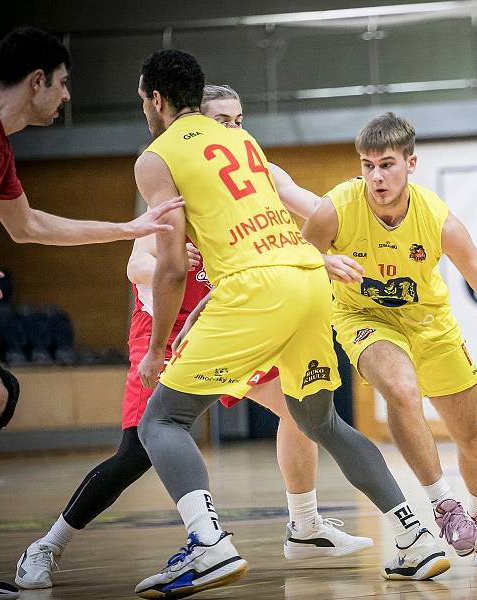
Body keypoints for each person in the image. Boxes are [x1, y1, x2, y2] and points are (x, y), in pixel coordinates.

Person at [13, 87, 371, 590]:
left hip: (230, 321)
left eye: (240, 119)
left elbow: (301, 217)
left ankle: (306, 525)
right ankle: (48, 544)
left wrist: (336, 242)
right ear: (195, 122)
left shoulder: (249, 174)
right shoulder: (174, 179)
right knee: (136, 452)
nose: (234, 129)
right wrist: (178, 262)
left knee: (298, 408)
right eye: (223, 119)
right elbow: (137, 263)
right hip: (167, 327)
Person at [132, 50, 448, 599]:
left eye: (143, 101)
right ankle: (415, 536)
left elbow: (174, 263)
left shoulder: (156, 157)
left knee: (161, 420)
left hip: (255, 290)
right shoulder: (245, 142)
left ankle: (207, 545)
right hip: (307, 278)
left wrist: (157, 347)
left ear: (156, 100)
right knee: (319, 420)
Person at [302, 112, 477, 568]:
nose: (376, 176)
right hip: (362, 317)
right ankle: (443, 506)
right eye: (367, 165)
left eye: (387, 164)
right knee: (400, 388)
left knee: (473, 435)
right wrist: (322, 263)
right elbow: (295, 257)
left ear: (411, 164)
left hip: (431, 324)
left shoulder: (437, 220)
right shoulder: (335, 208)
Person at [0, 27, 181, 600]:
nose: (65, 98)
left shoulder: (0, 150)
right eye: (61, 85)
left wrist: (128, 229)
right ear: (37, 81)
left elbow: (31, 227)